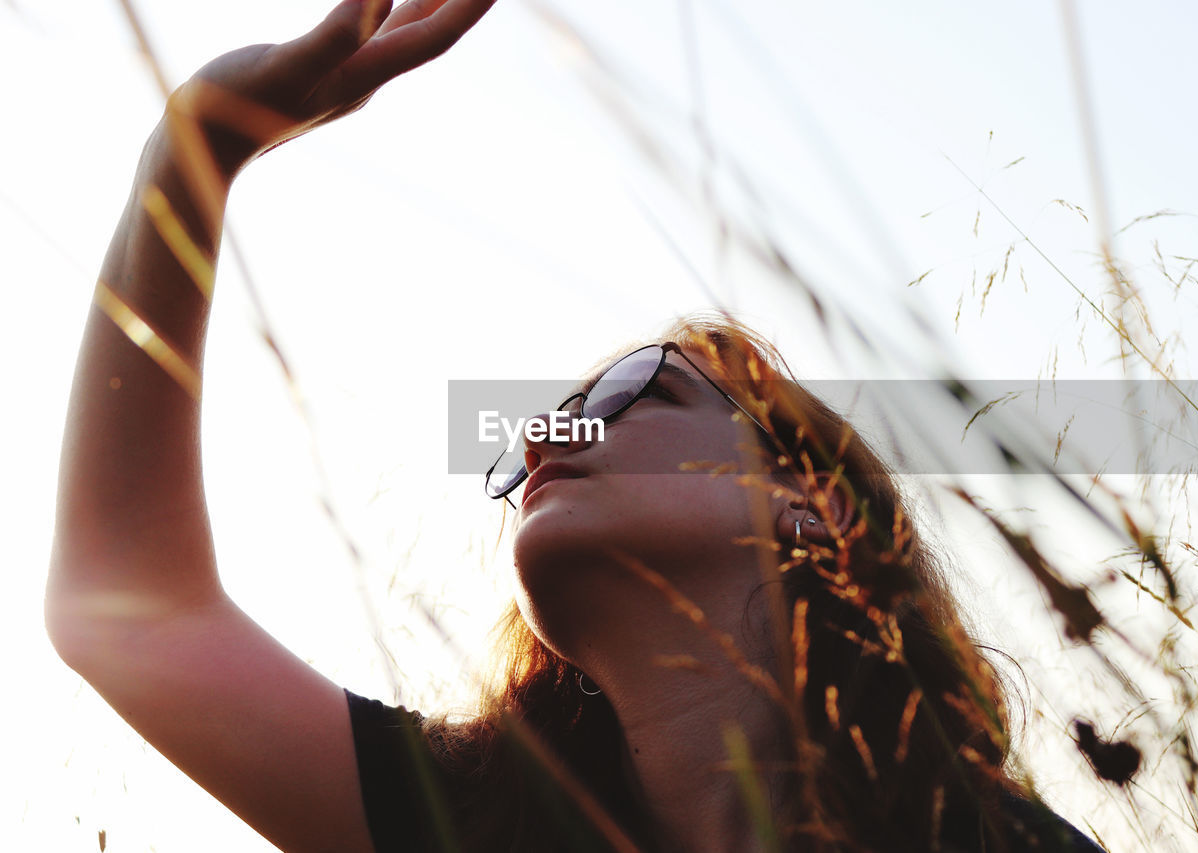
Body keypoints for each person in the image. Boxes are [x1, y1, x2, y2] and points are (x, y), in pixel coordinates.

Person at [46, 1, 1106, 850]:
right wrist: (192, 152)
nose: (550, 439)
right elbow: (128, 615)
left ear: (809, 504)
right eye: (536, 430)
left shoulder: (977, 838)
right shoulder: (477, 817)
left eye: (628, 396)